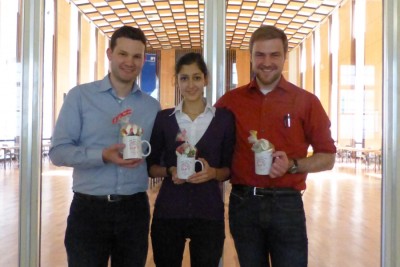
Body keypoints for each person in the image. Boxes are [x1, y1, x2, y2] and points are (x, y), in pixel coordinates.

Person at [215, 25, 336, 267]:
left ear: (284, 57)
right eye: (260, 55)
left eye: (274, 55)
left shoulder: (306, 102)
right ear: (251, 57)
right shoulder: (230, 102)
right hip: (243, 204)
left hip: (287, 205)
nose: (267, 62)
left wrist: (293, 165)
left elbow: (328, 157)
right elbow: (212, 143)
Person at [49, 26, 160, 267]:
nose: (129, 62)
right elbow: (58, 152)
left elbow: (156, 155)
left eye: (137, 56)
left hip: (134, 210)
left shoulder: (152, 107)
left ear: (143, 59)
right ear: (110, 54)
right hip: (89, 210)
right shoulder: (80, 97)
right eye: (123, 54)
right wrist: (102, 155)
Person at [146, 52, 235, 267]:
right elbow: (151, 168)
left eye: (196, 77)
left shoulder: (223, 119)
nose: (190, 84)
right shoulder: (164, 119)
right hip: (168, 212)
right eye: (184, 78)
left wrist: (213, 173)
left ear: (205, 79)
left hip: (209, 213)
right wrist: (170, 171)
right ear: (176, 81)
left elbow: (228, 169)